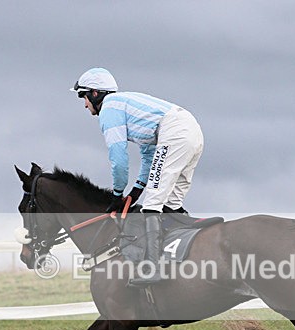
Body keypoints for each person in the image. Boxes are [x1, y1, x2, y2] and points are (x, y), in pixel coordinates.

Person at [71, 67, 204, 286]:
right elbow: (149, 157)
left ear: (95, 93)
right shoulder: (127, 106)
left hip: (175, 133)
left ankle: (154, 269)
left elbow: (118, 158)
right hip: (191, 131)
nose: (84, 104)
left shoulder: (109, 110)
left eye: (83, 97)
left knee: (152, 205)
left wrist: (117, 194)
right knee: (171, 204)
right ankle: (188, 256)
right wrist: (136, 189)